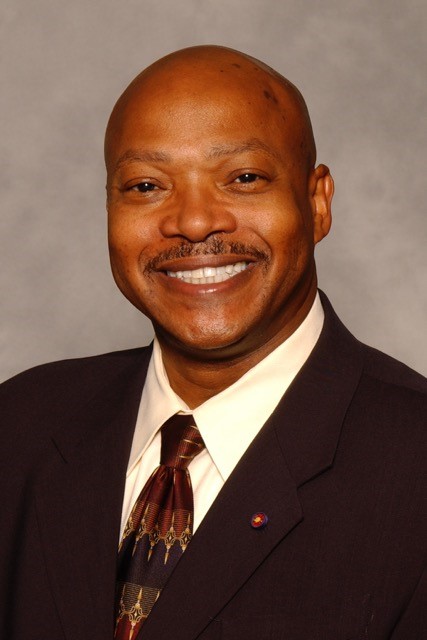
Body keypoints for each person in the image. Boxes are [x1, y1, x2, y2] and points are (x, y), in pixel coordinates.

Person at [1, 45, 426, 640]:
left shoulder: (413, 470)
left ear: (317, 202)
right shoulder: (20, 426)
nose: (195, 221)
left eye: (244, 178)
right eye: (147, 185)